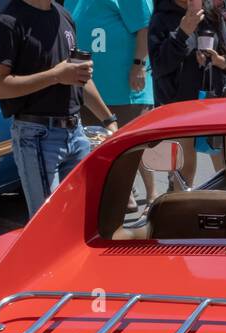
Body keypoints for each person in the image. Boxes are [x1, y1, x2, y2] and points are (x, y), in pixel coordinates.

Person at [0, 0, 121, 219]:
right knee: (50, 224)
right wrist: (56, 76)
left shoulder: (63, 16)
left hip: (75, 133)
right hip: (37, 135)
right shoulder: (8, 22)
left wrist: (108, 119)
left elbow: (78, 78)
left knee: (80, 218)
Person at [67, 0, 159, 211]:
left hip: (125, 89)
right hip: (91, 91)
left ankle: (152, 195)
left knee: (136, 147)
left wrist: (138, 65)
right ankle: (125, 195)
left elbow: (144, 27)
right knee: (98, 149)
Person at [149, 0, 226, 189]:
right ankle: (179, 209)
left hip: (212, 99)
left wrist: (218, 61)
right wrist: (182, 33)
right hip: (178, 102)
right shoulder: (162, 18)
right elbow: (159, 66)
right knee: (185, 165)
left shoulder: (211, 15)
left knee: (224, 161)